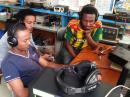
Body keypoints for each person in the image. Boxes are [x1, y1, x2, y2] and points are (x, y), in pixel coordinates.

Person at [1, 23, 66, 97]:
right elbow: (22, 94)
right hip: (37, 89)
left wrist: (65, 67)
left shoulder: (29, 48)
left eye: (29, 39)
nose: (29, 43)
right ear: (13, 41)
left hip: (45, 78)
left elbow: (46, 64)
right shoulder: (8, 64)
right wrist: (43, 91)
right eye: (25, 40)